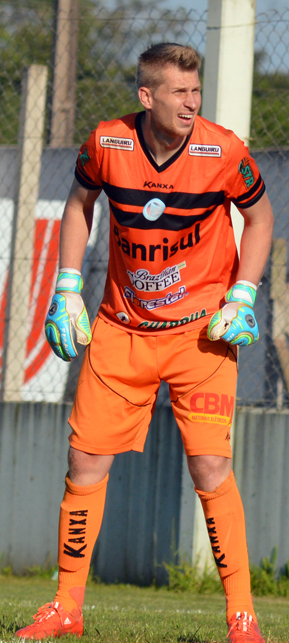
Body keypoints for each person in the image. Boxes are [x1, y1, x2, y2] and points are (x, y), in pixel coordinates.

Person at [16, 43, 273, 642]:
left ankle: (242, 619)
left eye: (196, 90)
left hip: (200, 338)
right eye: (179, 92)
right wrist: (68, 286)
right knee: (84, 461)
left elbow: (260, 218)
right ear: (146, 96)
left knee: (211, 465)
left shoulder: (223, 149)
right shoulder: (106, 144)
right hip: (121, 329)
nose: (192, 102)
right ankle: (65, 608)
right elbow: (79, 205)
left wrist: (244, 295)